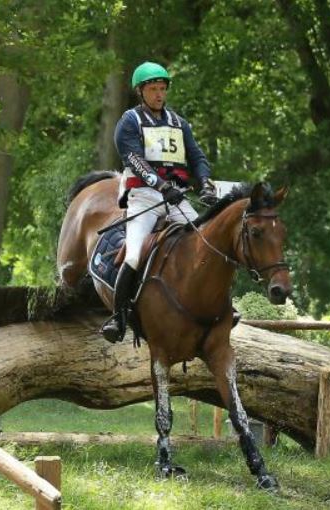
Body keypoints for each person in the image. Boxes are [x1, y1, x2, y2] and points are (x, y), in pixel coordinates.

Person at [102, 61, 218, 343]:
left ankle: (218, 305)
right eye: (153, 89)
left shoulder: (179, 124)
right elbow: (135, 160)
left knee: (208, 245)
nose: (159, 94)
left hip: (176, 196)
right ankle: (118, 318)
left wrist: (203, 183)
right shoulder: (130, 121)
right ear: (141, 92)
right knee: (132, 255)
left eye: (162, 89)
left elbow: (197, 157)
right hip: (144, 197)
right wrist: (161, 185)